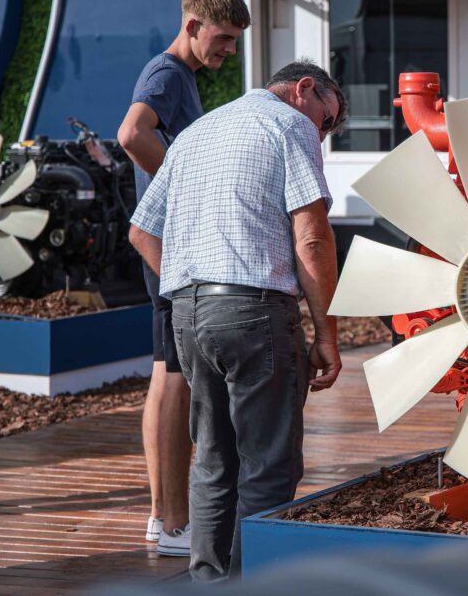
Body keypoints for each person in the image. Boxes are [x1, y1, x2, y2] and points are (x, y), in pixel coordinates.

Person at [128, 59, 347, 581]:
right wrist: (327, 334)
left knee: (213, 461)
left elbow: (142, 232)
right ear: (304, 89)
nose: (323, 134)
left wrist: (186, 287)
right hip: (255, 311)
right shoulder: (289, 124)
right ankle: (256, 585)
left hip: (189, 313)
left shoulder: (195, 132)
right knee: (269, 466)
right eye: (327, 120)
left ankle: (208, 582)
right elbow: (312, 237)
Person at [117, 0, 250, 557]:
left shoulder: (181, 77)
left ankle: (161, 517)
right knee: (173, 375)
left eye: (235, 41)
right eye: (223, 38)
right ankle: (175, 526)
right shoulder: (167, 74)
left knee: (164, 371)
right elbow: (131, 134)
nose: (229, 51)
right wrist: (188, 183)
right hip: (169, 247)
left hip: (168, 245)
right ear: (192, 26)